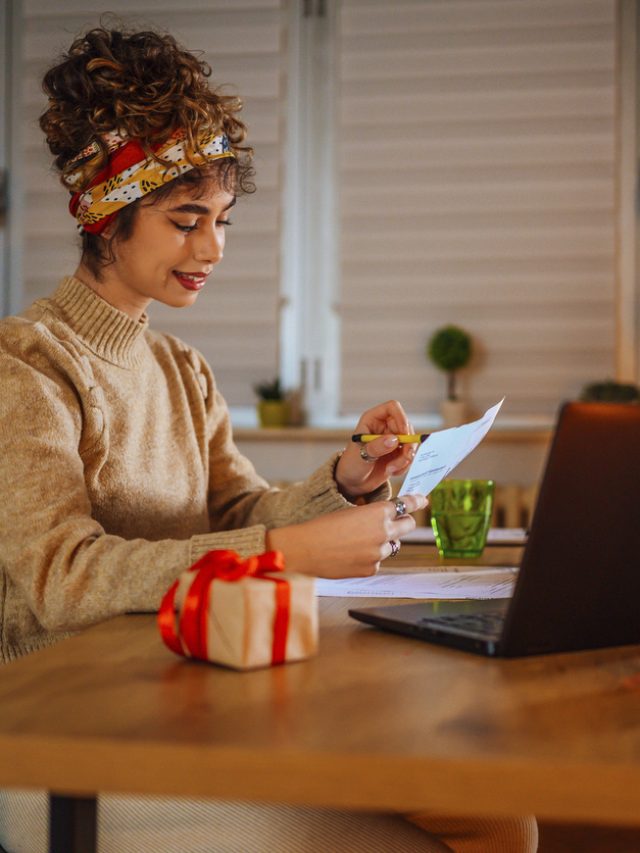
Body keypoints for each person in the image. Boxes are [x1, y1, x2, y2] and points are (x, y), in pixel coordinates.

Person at [0, 25, 537, 853]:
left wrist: (347, 478)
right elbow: (61, 579)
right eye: (186, 220)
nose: (213, 247)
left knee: (498, 815)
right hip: (69, 736)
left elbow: (240, 510)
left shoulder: (182, 369)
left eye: (221, 219)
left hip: (194, 693)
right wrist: (284, 552)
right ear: (107, 218)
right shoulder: (26, 365)